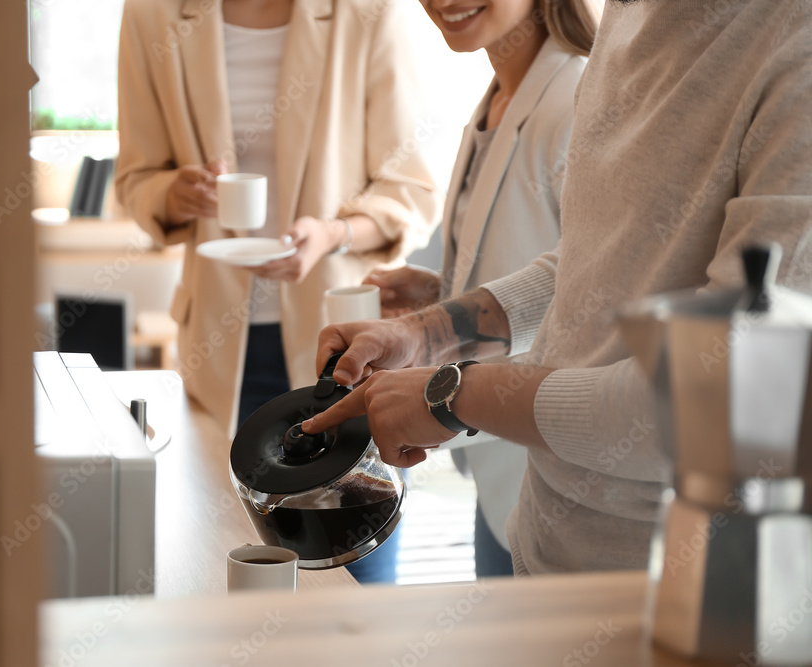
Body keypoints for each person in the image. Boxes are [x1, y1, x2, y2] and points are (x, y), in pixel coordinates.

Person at [302, 0, 812, 576]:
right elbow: (597, 261)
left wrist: (452, 394)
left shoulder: (795, 44)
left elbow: (723, 398)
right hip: (544, 539)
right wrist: (429, 333)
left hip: (670, 576)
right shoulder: (627, 15)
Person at [115, 0, 440, 583]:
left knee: (356, 562)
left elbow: (409, 190)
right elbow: (136, 179)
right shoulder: (152, 17)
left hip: (343, 350)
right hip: (218, 355)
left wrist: (333, 234)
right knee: (227, 562)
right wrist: (172, 193)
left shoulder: (368, 13)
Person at [364, 0, 597, 576]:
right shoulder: (497, 98)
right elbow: (537, 257)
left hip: (548, 476)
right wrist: (440, 292)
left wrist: (434, 339)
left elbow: (595, 293)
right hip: (496, 478)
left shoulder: (578, 98)